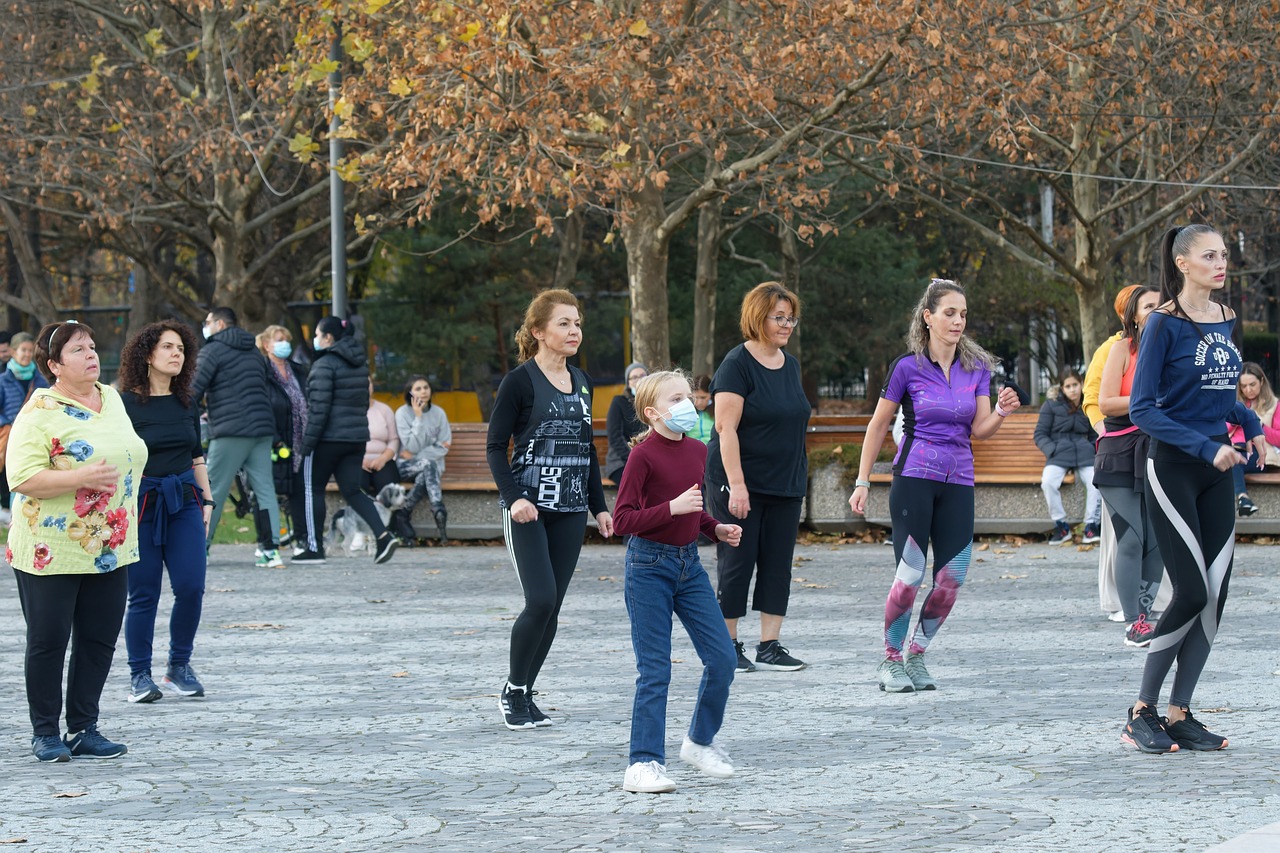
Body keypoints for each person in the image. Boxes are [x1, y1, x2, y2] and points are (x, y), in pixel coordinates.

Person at [1121, 224, 1266, 754]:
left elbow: (1218, 393)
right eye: (1210, 256)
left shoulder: (1226, 319)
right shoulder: (1163, 324)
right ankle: (1142, 711)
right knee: (1191, 591)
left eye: (1224, 254)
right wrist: (1207, 448)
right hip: (1174, 469)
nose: (1221, 263)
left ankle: (1181, 713)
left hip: (1217, 472)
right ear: (1183, 264)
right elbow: (1143, 410)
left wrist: (1248, 426)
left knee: (1216, 593)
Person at [849, 279, 1022, 693]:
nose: (958, 321)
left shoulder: (977, 368)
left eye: (963, 314)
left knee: (952, 579)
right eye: (949, 312)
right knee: (909, 575)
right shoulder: (907, 367)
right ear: (928, 317)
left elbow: (980, 430)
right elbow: (877, 426)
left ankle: (918, 655)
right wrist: (862, 481)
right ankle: (890, 661)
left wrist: (999, 410)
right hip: (913, 479)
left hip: (959, 481)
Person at [7, 320, 147, 761]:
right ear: (54, 365)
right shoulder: (39, 410)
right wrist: (80, 476)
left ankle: (84, 728)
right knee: (49, 640)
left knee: (99, 639)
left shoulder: (113, 399)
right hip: (51, 547)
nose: (91, 354)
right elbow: (22, 477)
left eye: (91, 345)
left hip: (110, 545)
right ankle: (45, 733)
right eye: (77, 350)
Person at [486, 288, 614, 731]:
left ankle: (523, 691)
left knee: (553, 607)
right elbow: (494, 448)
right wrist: (514, 497)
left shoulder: (582, 381)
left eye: (577, 322)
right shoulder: (519, 381)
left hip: (570, 510)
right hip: (529, 509)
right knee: (539, 600)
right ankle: (513, 690)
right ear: (539, 332)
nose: (574, 330)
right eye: (564, 323)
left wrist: (599, 508)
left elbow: (586, 450)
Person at [613, 370, 743, 794]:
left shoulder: (697, 450)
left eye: (688, 395)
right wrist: (670, 509)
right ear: (652, 413)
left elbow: (692, 508)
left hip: (690, 567)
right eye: (676, 399)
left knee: (723, 658)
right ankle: (642, 763)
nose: (687, 403)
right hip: (648, 567)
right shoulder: (642, 457)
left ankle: (699, 742)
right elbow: (623, 520)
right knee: (655, 670)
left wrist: (714, 528)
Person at [704, 282, 810, 674]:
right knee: (737, 561)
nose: (787, 325)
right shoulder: (736, 364)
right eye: (778, 317)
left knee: (778, 564)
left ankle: (770, 645)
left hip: (785, 482)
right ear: (757, 317)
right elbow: (725, 429)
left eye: (790, 318)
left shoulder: (791, 364)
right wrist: (739, 485)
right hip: (739, 481)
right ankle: (727, 645)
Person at [118, 321, 215, 703]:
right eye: (169, 347)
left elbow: (196, 456)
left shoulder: (186, 400)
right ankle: (139, 675)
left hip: (185, 502)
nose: (178, 354)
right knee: (143, 594)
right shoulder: (123, 403)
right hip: (142, 504)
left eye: (182, 349)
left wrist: (206, 501)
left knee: (191, 587)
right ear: (147, 355)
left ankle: (179, 665)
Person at [295, 316, 398, 565]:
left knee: (312, 488)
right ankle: (383, 536)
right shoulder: (359, 365)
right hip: (356, 438)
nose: (315, 339)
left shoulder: (324, 365)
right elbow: (363, 403)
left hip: (328, 439)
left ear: (328, 338)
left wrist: (307, 445)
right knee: (352, 490)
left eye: (318, 334)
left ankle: (314, 548)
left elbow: (318, 410)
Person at [1095, 285, 1164, 649]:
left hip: (1159, 451)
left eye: (1159, 305)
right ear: (1134, 316)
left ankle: (1145, 618)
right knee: (1132, 538)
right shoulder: (1122, 348)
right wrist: (1147, 400)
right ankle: (1132, 623)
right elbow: (1106, 402)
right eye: (1147, 306)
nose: (1155, 310)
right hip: (1119, 451)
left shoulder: (1171, 353)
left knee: (1156, 542)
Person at [192, 307, 281, 566]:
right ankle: (270, 549)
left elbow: (194, 389)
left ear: (219, 324)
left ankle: (200, 547)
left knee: (213, 489)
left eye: (207, 321)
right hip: (262, 428)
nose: (205, 326)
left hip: (230, 430)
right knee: (265, 488)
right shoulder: (254, 351)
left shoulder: (212, 351)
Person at [1083, 284, 1144, 622]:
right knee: (1122, 535)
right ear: (1127, 314)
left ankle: (1147, 603)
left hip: (1149, 449)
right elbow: (1094, 398)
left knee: (1148, 535)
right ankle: (1120, 601)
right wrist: (1107, 433)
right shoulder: (1112, 348)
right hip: (1119, 450)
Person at [256, 324, 309, 559]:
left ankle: (302, 539)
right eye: (279, 339)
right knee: (266, 492)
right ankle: (267, 542)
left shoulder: (298, 370)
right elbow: (262, 408)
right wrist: (276, 440)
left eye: (286, 339)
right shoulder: (263, 374)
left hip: (299, 441)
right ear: (266, 345)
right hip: (274, 442)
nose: (284, 343)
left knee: (299, 492)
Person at [1035, 369, 1102, 545]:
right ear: (1062, 388)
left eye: (1075, 385)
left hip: (1084, 453)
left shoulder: (1089, 404)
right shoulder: (1051, 405)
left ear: (1081, 384)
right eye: (1068, 386)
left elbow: (1095, 433)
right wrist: (1052, 450)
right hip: (1059, 453)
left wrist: (1094, 449)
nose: (1072, 389)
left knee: (1097, 481)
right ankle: (1061, 526)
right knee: (1048, 482)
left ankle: (1091, 526)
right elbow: (1040, 434)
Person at [393, 374, 451, 544]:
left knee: (425, 472)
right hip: (406, 467)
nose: (423, 391)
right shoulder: (402, 413)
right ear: (410, 393)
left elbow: (445, 445)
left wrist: (419, 455)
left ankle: (403, 513)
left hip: (429, 468)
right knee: (428, 464)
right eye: (418, 389)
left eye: (426, 387)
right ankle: (438, 507)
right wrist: (418, 417)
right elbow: (410, 446)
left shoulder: (439, 413)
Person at [0, 332, 50, 526]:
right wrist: (8, 422)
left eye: (30, 350)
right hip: (12, 436)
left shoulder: (40, 381)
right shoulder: (3, 381)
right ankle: (15, 518)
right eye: (23, 350)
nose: (27, 354)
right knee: (16, 476)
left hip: (35, 437)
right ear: (13, 352)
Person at [1228, 362, 1280, 517]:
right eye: (1243, 386)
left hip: (1261, 454)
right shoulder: (1234, 405)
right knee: (1232, 456)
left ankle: (1243, 499)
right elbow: (1223, 430)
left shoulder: (1275, 405)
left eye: (1252, 384)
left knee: (1234, 458)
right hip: (1235, 449)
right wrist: (1236, 418)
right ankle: (1243, 499)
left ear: (1262, 381)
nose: (1248, 390)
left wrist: (1257, 425)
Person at [363, 377, 401, 547]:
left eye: (368, 382)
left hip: (383, 459)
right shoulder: (348, 410)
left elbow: (394, 440)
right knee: (357, 486)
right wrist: (358, 459)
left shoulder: (384, 410)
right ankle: (363, 533)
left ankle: (389, 533)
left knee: (388, 486)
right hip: (356, 460)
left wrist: (383, 458)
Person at [604, 362, 647, 483]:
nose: (639, 380)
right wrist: (633, 458)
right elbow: (615, 436)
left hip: (649, 458)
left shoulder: (653, 403)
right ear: (628, 383)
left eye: (643, 375)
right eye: (634, 377)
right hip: (621, 460)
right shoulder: (619, 402)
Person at [689, 374, 715, 444]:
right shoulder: (686, 411)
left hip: (711, 450)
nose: (699, 402)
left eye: (703, 397)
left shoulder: (718, 410)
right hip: (691, 450)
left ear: (711, 394)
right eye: (696, 397)